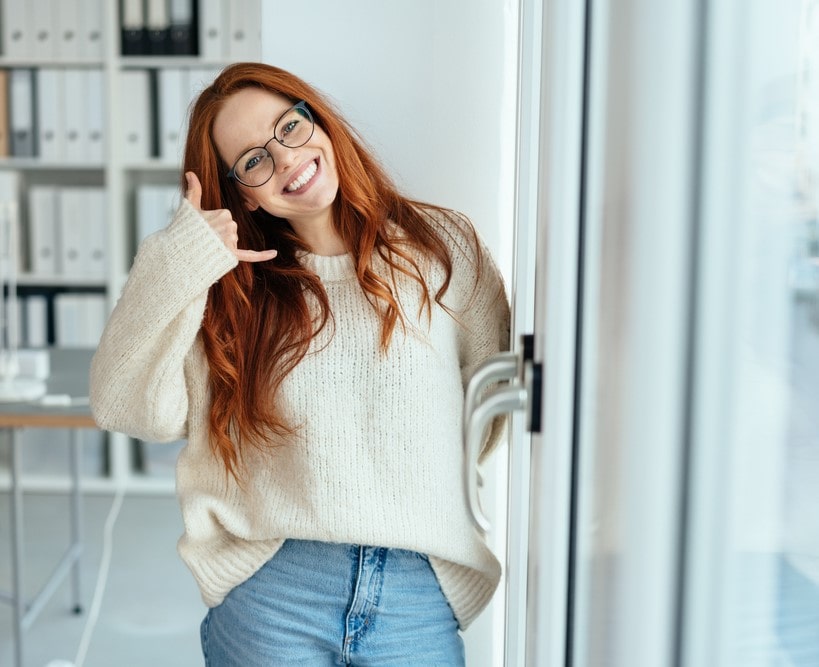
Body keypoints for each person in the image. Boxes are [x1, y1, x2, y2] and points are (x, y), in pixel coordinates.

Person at [90, 62, 510, 666]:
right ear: (240, 193)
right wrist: (177, 259)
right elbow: (121, 403)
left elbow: (488, 411)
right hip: (274, 595)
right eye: (254, 160)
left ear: (318, 120)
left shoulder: (442, 249)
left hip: (415, 591)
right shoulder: (228, 293)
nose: (285, 158)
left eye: (289, 126)